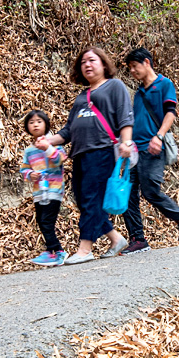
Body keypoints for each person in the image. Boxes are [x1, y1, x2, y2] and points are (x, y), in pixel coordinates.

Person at [36, 47, 134, 264]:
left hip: (102, 151)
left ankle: (85, 248)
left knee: (91, 199)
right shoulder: (82, 96)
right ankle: (116, 239)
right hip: (80, 154)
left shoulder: (114, 86)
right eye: (83, 63)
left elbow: (125, 118)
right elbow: (68, 131)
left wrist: (126, 142)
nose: (87, 65)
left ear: (104, 64)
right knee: (83, 200)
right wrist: (48, 141)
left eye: (92, 60)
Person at [120, 48, 179, 252]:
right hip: (135, 150)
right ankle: (138, 239)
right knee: (128, 195)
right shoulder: (139, 92)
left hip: (152, 148)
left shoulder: (164, 84)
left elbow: (170, 113)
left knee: (151, 191)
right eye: (130, 69)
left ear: (146, 62)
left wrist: (159, 136)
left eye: (134, 66)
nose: (133, 71)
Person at [19, 109, 67, 266]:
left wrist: (47, 147)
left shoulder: (54, 144)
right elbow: (24, 168)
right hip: (39, 191)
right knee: (41, 220)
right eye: (31, 122)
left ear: (46, 124)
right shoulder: (29, 150)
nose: (35, 125)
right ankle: (50, 251)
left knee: (47, 221)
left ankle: (58, 251)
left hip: (53, 189)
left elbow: (60, 159)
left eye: (39, 121)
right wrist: (30, 174)